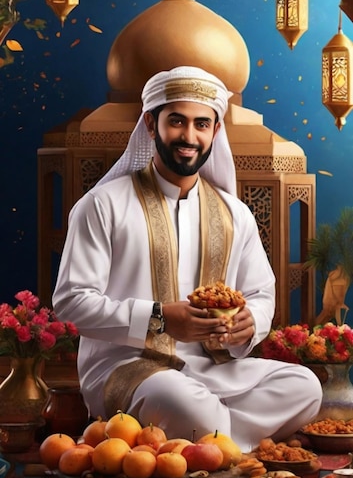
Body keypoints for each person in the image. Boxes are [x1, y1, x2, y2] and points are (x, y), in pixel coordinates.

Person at [53, 65, 322, 452]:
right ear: (150, 125)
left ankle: (197, 442)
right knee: (187, 405)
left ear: (215, 130)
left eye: (201, 124)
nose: (189, 136)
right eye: (176, 121)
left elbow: (261, 294)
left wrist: (251, 324)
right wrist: (159, 318)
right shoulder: (102, 205)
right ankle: (216, 439)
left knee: (305, 387)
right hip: (128, 366)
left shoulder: (234, 214)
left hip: (213, 368)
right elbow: (71, 303)